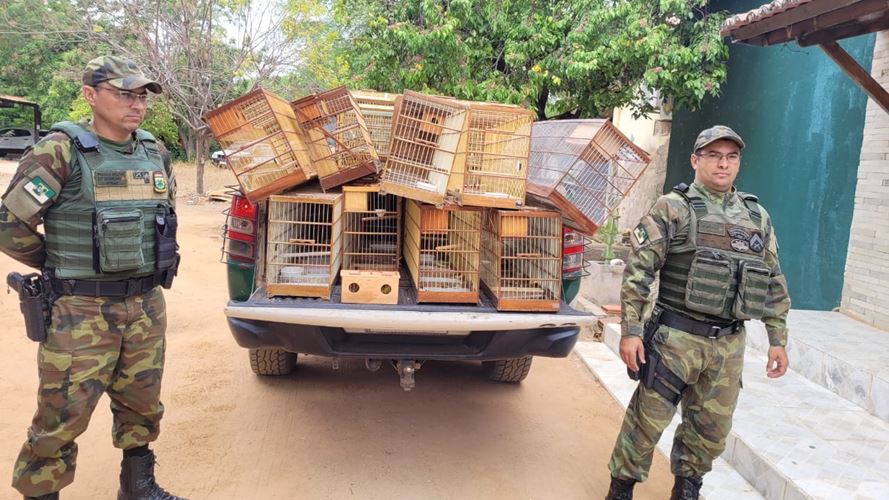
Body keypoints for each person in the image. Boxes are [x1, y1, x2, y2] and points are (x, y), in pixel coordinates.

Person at [1, 55, 183, 500]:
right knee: (62, 412)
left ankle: (137, 485)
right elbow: (9, 224)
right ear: (90, 95)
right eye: (124, 94)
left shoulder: (154, 152)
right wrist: (56, 262)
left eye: (141, 96)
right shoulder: (59, 151)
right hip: (80, 310)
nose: (136, 105)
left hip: (144, 305)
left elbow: (165, 218)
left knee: (142, 402)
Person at [604, 125, 791, 500]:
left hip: (728, 346)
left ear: (738, 162)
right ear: (696, 160)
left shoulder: (757, 217)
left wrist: (777, 339)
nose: (723, 163)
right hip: (676, 339)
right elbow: (639, 271)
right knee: (647, 420)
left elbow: (772, 280)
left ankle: (688, 487)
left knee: (710, 427)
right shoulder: (673, 207)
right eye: (714, 155)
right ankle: (621, 487)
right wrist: (630, 331)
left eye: (731, 156)